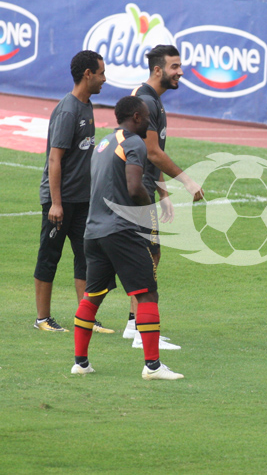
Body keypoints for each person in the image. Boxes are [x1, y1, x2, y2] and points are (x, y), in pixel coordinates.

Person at [71, 96, 183, 380]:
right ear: (136, 117)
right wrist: (148, 210)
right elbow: (134, 187)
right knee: (147, 293)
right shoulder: (133, 143)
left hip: (93, 232)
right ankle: (153, 367)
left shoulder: (104, 143)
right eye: (146, 117)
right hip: (121, 230)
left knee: (92, 296)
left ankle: (80, 363)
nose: (149, 122)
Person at [122, 44, 204, 350]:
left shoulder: (150, 99)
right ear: (158, 70)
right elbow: (153, 152)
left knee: (148, 255)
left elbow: (149, 155)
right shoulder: (146, 101)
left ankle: (133, 324)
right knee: (145, 258)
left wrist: (164, 190)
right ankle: (142, 332)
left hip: (142, 188)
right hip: (136, 192)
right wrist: (187, 181)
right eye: (174, 66)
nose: (180, 72)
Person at [33, 50, 114, 334]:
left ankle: (86, 317)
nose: (105, 78)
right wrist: (56, 203)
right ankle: (43, 319)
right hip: (61, 200)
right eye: (101, 73)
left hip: (82, 200)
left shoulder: (87, 105)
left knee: (87, 257)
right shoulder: (68, 111)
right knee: (49, 256)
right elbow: (54, 159)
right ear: (87, 74)